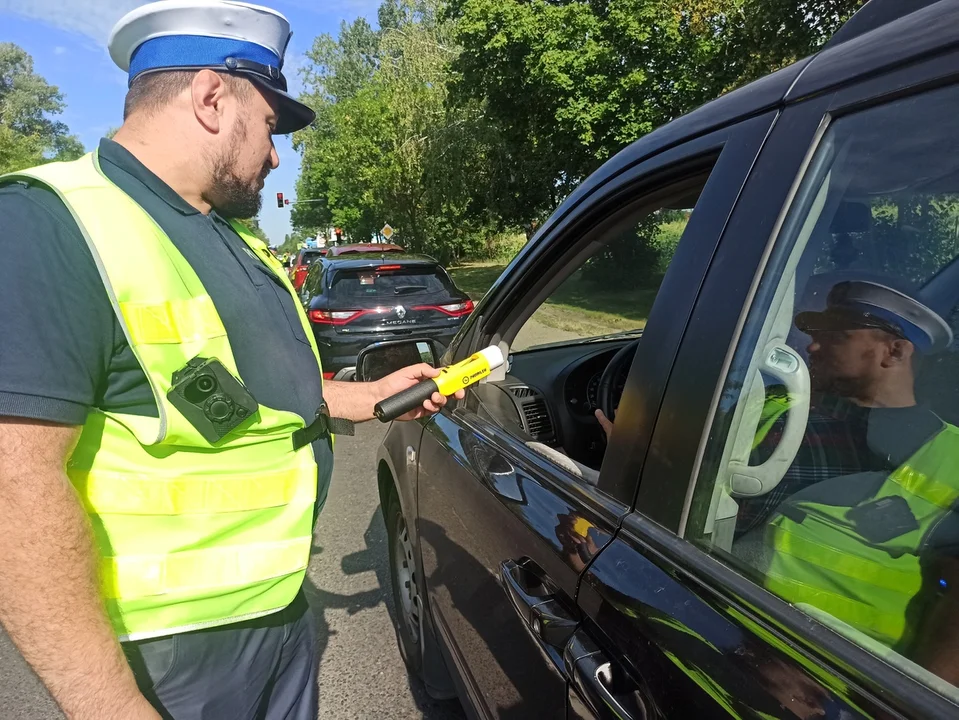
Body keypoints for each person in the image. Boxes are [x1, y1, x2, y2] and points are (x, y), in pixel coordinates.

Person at [0, 3, 462, 719]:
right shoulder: (49, 222)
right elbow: (13, 485)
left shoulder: (225, 234)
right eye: (271, 127)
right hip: (165, 653)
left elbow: (241, 393)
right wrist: (110, 707)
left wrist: (361, 397)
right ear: (212, 99)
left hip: (275, 614)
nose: (276, 156)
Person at [739, 281, 959, 673]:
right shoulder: (779, 409)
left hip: (853, 680)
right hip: (741, 631)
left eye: (835, 336)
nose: (811, 346)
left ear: (895, 351)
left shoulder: (953, 455)